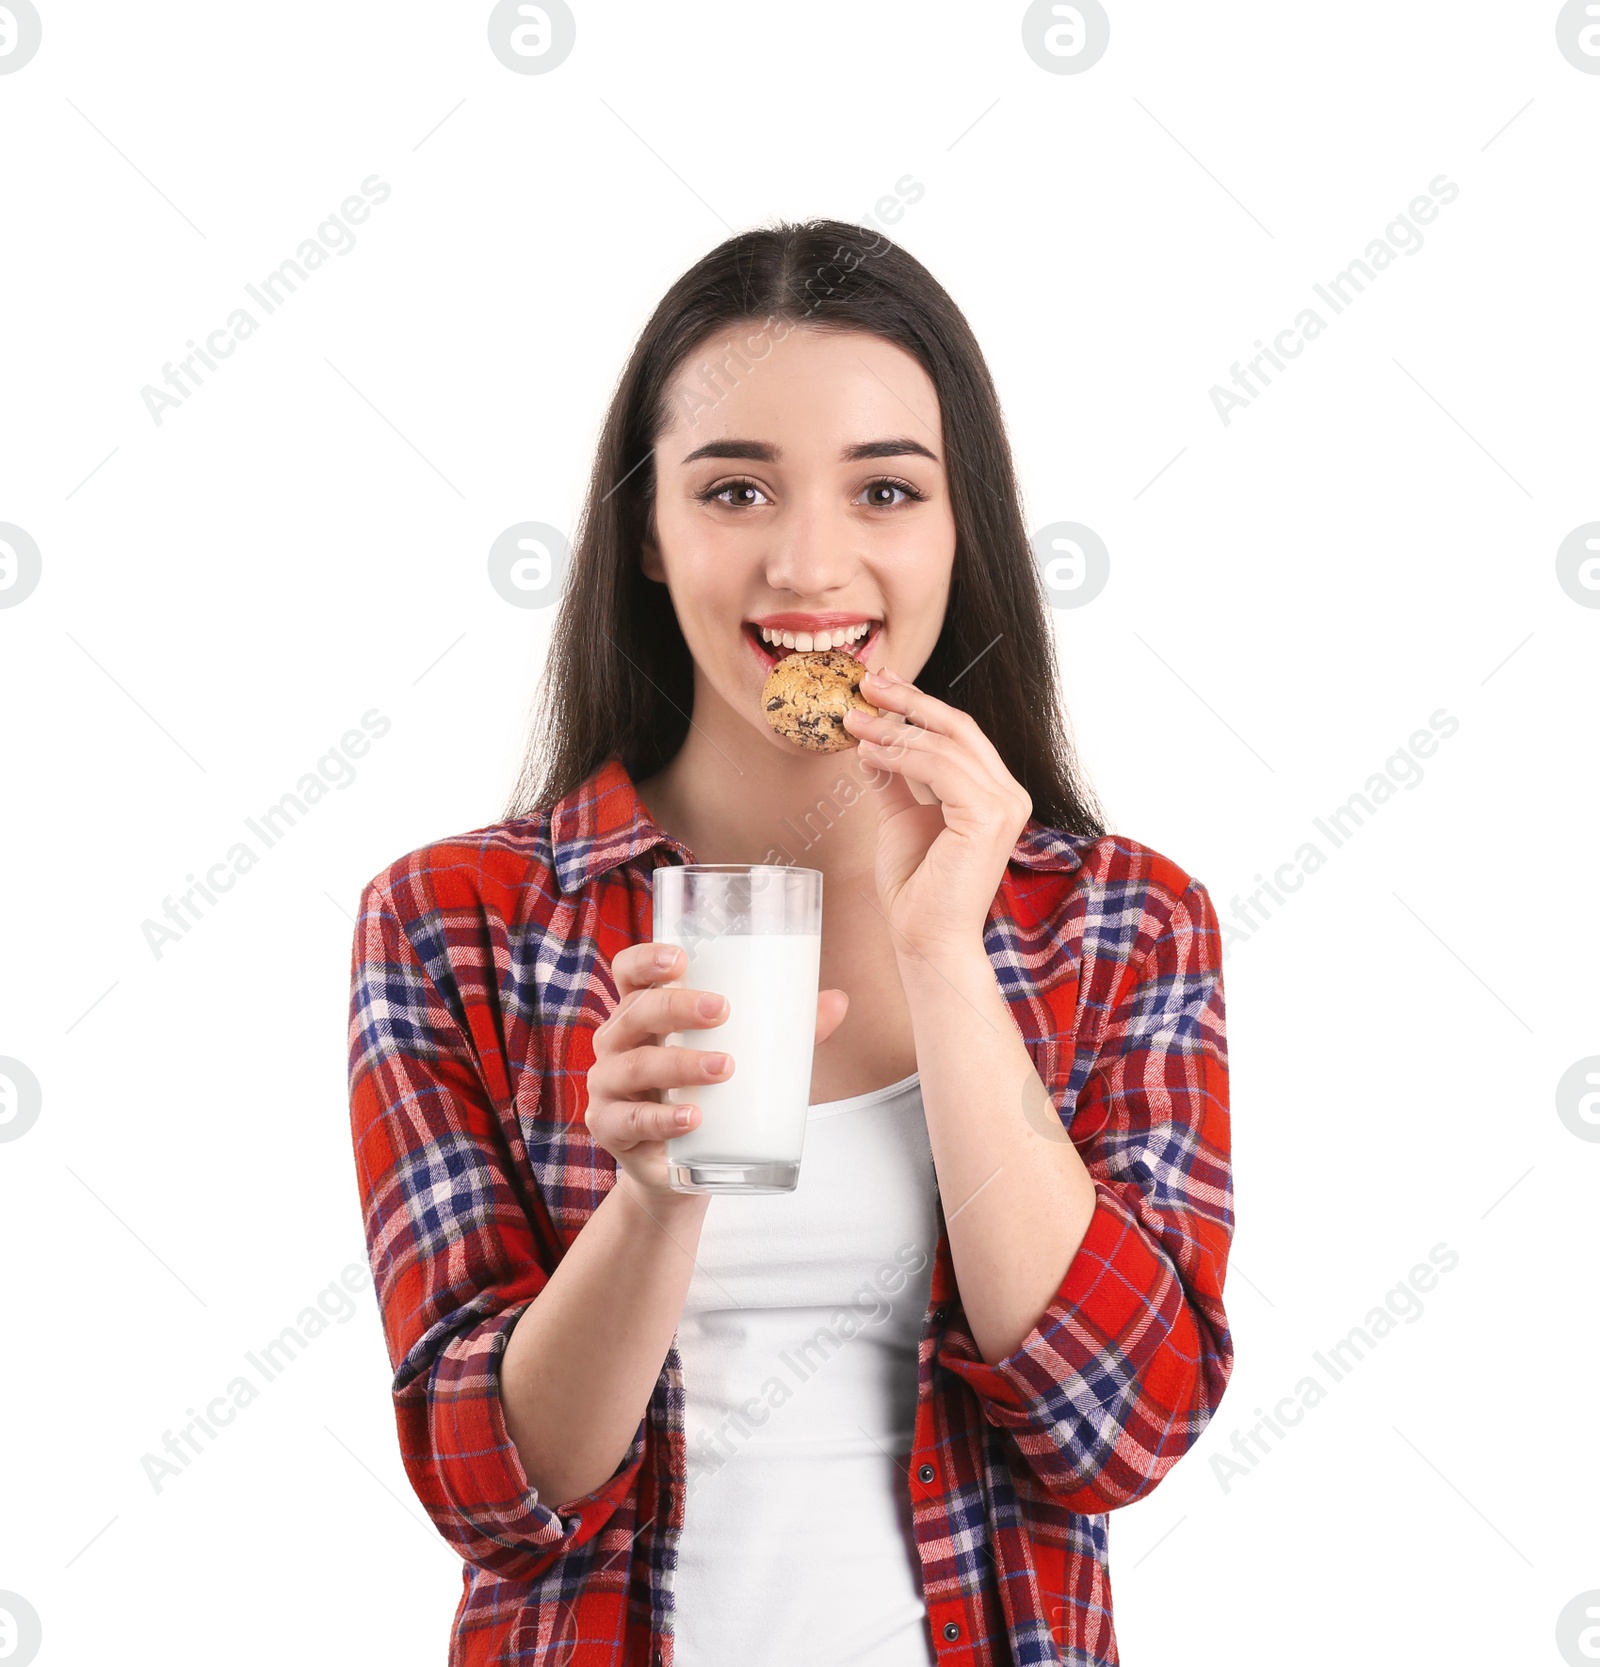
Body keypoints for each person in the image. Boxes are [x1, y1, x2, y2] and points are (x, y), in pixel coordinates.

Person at [346, 218, 1235, 1667]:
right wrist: (650, 1201)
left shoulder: (1124, 921)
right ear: (649, 529)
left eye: (885, 489)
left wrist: (946, 953)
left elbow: (1120, 1433)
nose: (809, 564)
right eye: (736, 488)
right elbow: (493, 1493)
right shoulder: (456, 925)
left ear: (963, 531)